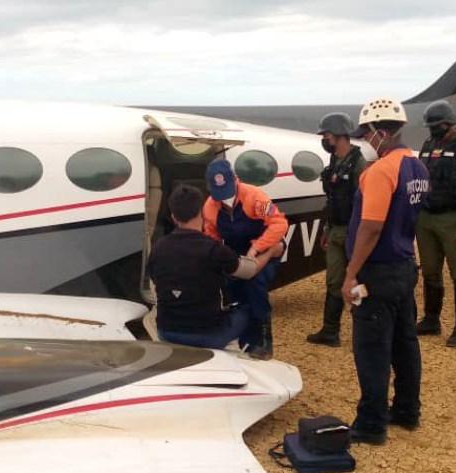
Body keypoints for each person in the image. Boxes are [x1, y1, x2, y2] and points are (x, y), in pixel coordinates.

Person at [343, 96, 429, 445]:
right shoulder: (418, 166)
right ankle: (407, 410)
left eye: (367, 134)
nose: (366, 140)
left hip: (377, 271)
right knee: (405, 343)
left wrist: (351, 274)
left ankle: (371, 423)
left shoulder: (380, 170)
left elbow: (371, 227)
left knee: (372, 348)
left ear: (380, 132)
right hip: (404, 266)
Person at [148, 184, 284, 349]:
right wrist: (271, 252)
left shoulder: (157, 248)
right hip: (208, 335)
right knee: (250, 307)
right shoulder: (213, 248)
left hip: (166, 332)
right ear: (201, 213)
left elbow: (156, 284)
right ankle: (255, 350)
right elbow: (250, 272)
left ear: (173, 217)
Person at [203, 157, 289, 359]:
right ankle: (244, 340)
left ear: (235, 179)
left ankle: (264, 341)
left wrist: (258, 246)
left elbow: (279, 224)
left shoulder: (255, 196)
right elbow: (212, 234)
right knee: (233, 288)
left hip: (265, 242)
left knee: (255, 284)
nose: (225, 199)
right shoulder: (209, 207)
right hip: (235, 248)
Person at [414, 100, 456, 347]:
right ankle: (431, 319)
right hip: (427, 217)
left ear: (449, 123)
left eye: (436, 125)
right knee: (430, 270)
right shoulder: (429, 145)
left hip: (454, 218)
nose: (432, 129)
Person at [307, 113, 367, 347]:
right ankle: (330, 330)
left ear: (340, 134)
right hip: (335, 230)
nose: (324, 139)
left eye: (327, 134)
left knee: (357, 281)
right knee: (333, 281)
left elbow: (364, 202)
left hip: (353, 231)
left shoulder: (358, 163)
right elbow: (332, 200)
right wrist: (326, 228)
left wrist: (360, 235)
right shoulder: (334, 162)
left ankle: (363, 326)